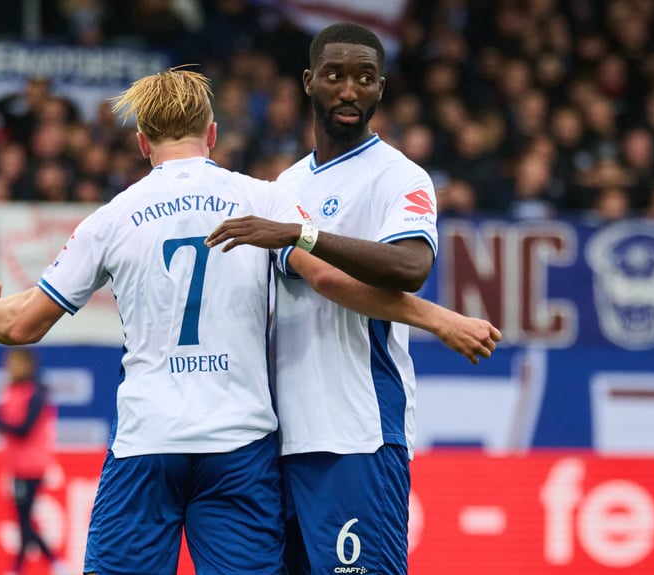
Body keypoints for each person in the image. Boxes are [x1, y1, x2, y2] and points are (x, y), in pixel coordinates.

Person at [0, 65, 500, 575]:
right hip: (240, 448)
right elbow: (332, 282)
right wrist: (440, 319)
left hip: (149, 442)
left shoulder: (112, 218)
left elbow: (21, 325)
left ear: (143, 142)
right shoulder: (263, 200)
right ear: (212, 134)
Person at [206, 22, 501, 575]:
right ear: (308, 82)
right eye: (335, 75)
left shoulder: (398, 177)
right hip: (280, 439)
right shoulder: (283, 187)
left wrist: (303, 234)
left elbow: (411, 267)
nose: (349, 90)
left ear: (380, 89)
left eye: (365, 78)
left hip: (358, 433)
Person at [0, 348, 67, 575]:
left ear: (27, 365)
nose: (8, 368)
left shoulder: (36, 394)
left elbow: (22, 429)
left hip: (32, 466)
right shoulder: (12, 391)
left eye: (13, 363)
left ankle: (48, 565)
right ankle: (37, 566)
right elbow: (7, 419)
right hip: (17, 465)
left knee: (23, 520)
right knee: (23, 519)